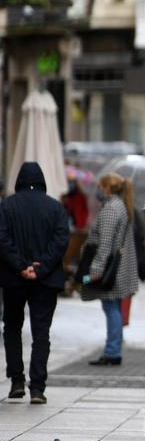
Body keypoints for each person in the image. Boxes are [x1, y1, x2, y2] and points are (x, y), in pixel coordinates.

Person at [0, 163, 70, 403]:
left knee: (12, 328)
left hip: (13, 278)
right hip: (46, 279)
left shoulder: (6, 206)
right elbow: (61, 240)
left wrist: (21, 266)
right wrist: (40, 267)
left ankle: (17, 380)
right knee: (42, 333)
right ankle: (38, 387)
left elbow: (2, 239)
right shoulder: (55, 208)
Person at [81, 173, 140, 366]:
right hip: (119, 268)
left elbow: (105, 244)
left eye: (100, 186)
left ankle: (112, 351)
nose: (97, 190)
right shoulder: (121, 206)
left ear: (106, 188)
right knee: (113, 306)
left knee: (111, 306)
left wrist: (95, 269)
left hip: (111, 270)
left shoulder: (110, 209)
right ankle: (113, 349)